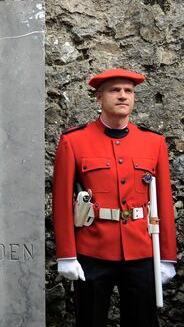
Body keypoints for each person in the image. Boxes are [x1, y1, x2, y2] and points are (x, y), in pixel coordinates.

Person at [52, 68, 177, 326]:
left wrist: (166, 256)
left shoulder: (153, 142)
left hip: (142, 251)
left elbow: (163, 202)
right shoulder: (74, 141)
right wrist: (66, 253)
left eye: (128, 91)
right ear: (99, 97)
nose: (123, 96)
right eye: (114, 90)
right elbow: (62, 201)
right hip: (93, 250)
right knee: (90, 321)